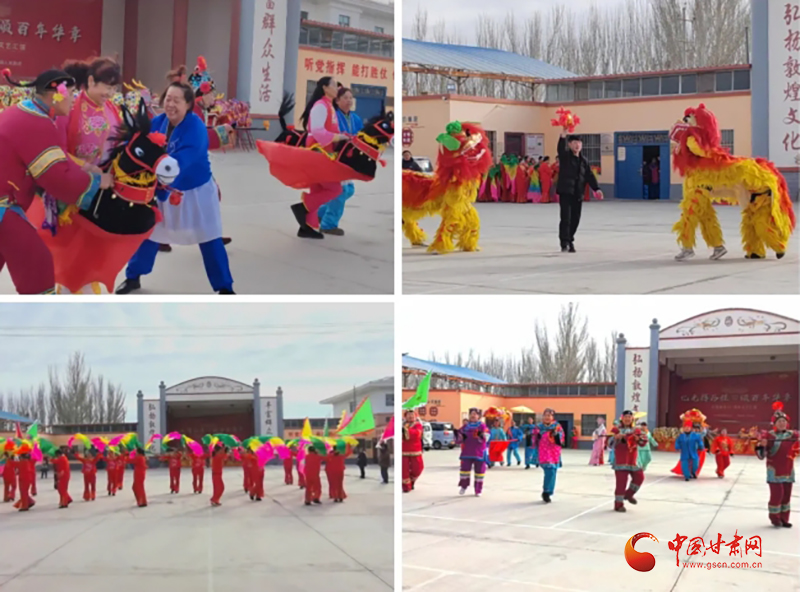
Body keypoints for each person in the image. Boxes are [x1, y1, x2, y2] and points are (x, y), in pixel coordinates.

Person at [0, 68, 112, 294]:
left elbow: (57, 155)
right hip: (5, 204)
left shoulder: (34, 114)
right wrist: (96, 181)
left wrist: (84, 167)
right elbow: (56, 177)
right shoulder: (34, 122)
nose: (74, 100)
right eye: (71, 93)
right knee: (36, 263)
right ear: (56, 95)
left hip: (8, 200)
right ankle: (41, 315)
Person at [117, 81, 234, 295]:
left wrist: (159, 168)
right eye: (168, 99)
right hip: (163, 191)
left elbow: (183, 160)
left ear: (188, 104)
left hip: (196, 191)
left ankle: (225, 287)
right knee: (149, 235)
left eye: (176, 100)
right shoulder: (157, 122)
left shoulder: (196, 127)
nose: (170, 104)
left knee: (210, 238)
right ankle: (133, 277)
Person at [290, 76, 351, 239]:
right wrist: (339, 137)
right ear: (325, 88)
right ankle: (303, 207)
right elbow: (317, 131)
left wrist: (341, 137)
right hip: (318, 152)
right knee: (335, 189)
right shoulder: (320, 106)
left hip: (325, 151)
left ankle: (306, 228)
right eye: (334, 85)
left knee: (317, 189)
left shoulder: (328, 106)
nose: (337, 88)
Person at [60, 56, 122, 166]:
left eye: (114, 88)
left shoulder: (112, 109)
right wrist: (87, 168)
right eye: (108, 88)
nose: (111, 94)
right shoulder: (70, 108)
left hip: (109, 170)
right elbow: (60, 149)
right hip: (79, 171)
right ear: (91, 81)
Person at [318, 87, 363, 236]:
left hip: (349, 158)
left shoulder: (356, 118)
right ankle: (328, 224)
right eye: (345, 98)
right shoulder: (333, 116)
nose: (349, 100)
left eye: (351, 98)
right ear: (337, 101)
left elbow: (362, 136)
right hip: (334, 157)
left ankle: (319, 213)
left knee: (349, 190)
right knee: (341, 191)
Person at [555, 132, 602, 253]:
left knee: (576, 219)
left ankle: (570, 239)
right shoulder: (565, 157)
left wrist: (596, 189)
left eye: (579, 143)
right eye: (575, 143)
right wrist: (563, 136)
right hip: (566, 192)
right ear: (570, 144)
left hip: (578, 193)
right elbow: (560, 149)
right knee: (566, 218)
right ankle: (565, 242)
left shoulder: (584, 161)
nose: (577, 145)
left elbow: (589, 176)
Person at [756, 402, 797, 527]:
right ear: (774, 424)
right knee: (777, 495)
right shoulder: (769, 435)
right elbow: (761, 456)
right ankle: (775, 519)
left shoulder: (792, 435)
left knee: (786, 496)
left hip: (788, 470)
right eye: (779, 421)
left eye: (784, 421)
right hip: (774, 471)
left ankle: (785, 519)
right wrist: (761, 445)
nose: (782, 423)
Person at [610, 410, 647, 512]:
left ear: (632, 419)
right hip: (621, 460)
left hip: (633, 460)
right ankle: (618, 505)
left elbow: (643, 442)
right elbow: (609, 443)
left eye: (629, 417)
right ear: (622, 419)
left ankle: (628, 494)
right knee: (621, 483)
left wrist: (638, 439)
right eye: (625, 417)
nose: (627, 419)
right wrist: (616, 438)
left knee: (639, 477)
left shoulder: (637, 430)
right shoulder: (617, 430)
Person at [534, 408, 565, 503]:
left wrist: (556, 435)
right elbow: (534, 439)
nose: (547, 417)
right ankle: (546, 491)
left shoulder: (557, 426)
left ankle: (549, 491)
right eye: (545, 415)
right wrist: (535, 435)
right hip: (544, 452)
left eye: (549, 415)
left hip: (554, 452)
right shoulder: (539, 427)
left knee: (553, 472)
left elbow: (561, 439)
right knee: (550, 470)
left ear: (552, 417)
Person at [458, 408, 489, 496]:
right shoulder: (465, 426)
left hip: (479, 452)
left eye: (475, 414)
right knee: (464, 470)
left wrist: (480, 435)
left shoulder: (482, 426)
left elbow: (487, 436)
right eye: (471, 414)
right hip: (467, 452)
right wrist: (458, 437)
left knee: (479, 471)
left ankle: (478, 490)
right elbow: (459, 435)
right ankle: (463, 486)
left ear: (478, 416)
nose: (473, 415)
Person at [402, 410, 424, 492]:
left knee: (418, 468)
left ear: (415, 416)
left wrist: (406, 430)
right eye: (409, 414)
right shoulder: (401, 425)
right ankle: (406, 487)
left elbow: (417, 434)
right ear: (405, 416)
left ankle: (411, 481)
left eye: (412, 415)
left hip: (416, 450)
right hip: (403, 451)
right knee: (404, 470)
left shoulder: (418, 425)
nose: (410, 416)